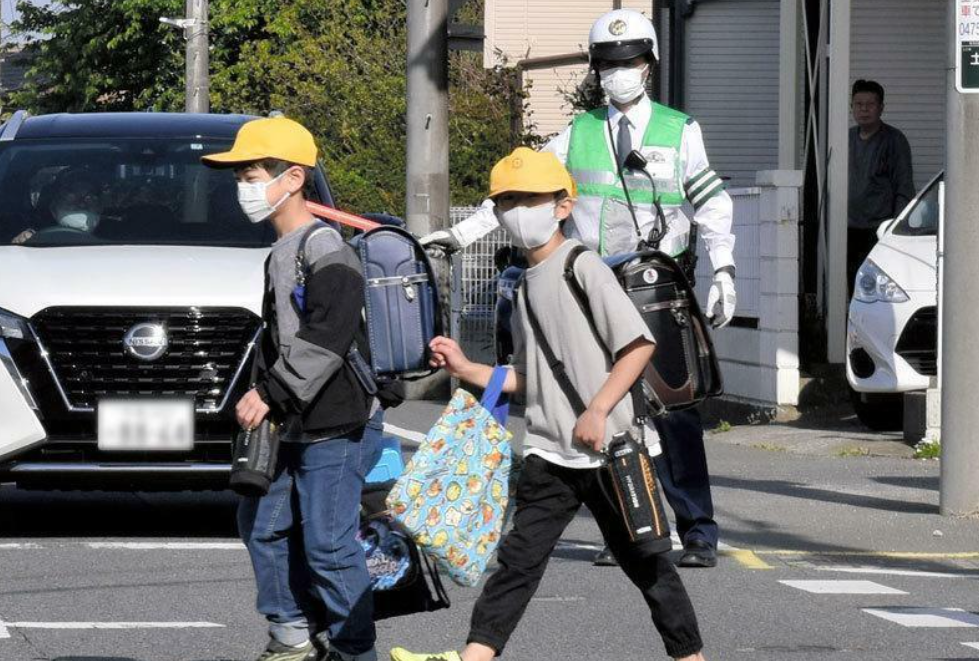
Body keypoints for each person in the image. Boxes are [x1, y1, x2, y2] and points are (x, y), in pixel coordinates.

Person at [423, 8, 731, 569]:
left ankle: (699, 529)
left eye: (630, 62)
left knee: (673, 411)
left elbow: (712, 202)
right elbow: (522, 191)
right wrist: (459, 234)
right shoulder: (577, 134)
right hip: (593, 285)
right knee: (613, 413)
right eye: (609, 64)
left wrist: (725, 269)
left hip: (658, 287)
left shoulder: (680, 130)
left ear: (649, 65)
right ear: (596, 69)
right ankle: (633, 529)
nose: (619, 72)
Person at [391, 147, 706, 661]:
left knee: (648, 565)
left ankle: (691, 657)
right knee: (518, 564)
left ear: (562, 205)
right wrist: (467, 369)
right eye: (507, 200)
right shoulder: (521, 284)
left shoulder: (582, 266)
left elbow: (638, 345)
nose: (517, 210)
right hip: (550, 452)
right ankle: (475, 656)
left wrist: (599, 409)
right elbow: (530, 376)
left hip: (607, 450)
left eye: (529, 198)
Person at [202, 116, 382, 661]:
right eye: (239, 177)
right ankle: (291, 636)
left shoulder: (327, 249)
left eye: (251, 174)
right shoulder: (284, 249)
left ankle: (355, 649)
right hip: (290, 421)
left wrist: (270, 393)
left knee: (328, 545)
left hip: (335, 423)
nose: (243, 188)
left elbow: (327, 338)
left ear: (293, 177)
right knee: (261, 524)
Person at [848, 79, 915, 291]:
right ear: (851, 107)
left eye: (870, 104)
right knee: (849, 284)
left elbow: (904, 186)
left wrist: (895, 229)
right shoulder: (844, 138)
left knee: (876, 287)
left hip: (879, 230)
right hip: (846, 229)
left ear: (881, 108)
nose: (864, 109)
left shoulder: (894, 140)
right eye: (858, 104)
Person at [11, 168, 104, 244]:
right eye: (72, 196)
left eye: (89, 197)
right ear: (54, 206)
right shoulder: (33, 236)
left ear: (100, 207)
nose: (81, 204)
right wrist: (22, 242)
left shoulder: (115, 237)